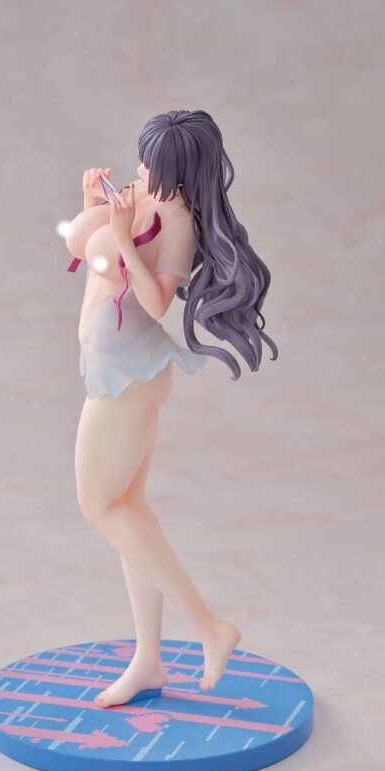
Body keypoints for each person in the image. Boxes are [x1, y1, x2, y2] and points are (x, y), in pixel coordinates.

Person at [63, 110, 278, 708]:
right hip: (117, 371)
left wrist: (124, 236)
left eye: (151, 164)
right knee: (129, 508)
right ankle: (148, 661)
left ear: (180, 174)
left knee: (99, 505)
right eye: (141, 159)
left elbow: (157, 301)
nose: (139, 170)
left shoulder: (177, 221)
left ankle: (210, 626)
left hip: (128, 382)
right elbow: (83, 246)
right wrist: (94, 205)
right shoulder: (144, 199)